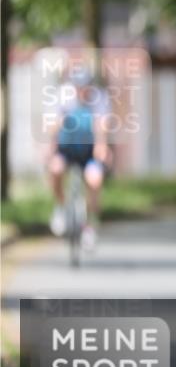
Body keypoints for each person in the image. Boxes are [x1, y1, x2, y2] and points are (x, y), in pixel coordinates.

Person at [48, 66, 110, 250]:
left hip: (88, 151)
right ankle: (60, 207)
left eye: (86, 86)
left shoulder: (100, 98)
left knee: (95, 180)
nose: (83, 90)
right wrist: (51, 145)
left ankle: (90, 227)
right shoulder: (62, 97)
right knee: (55, 169)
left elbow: (102, 125)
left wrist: (102, 147)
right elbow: (52, 127)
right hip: (66, 148)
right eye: (79, 86)